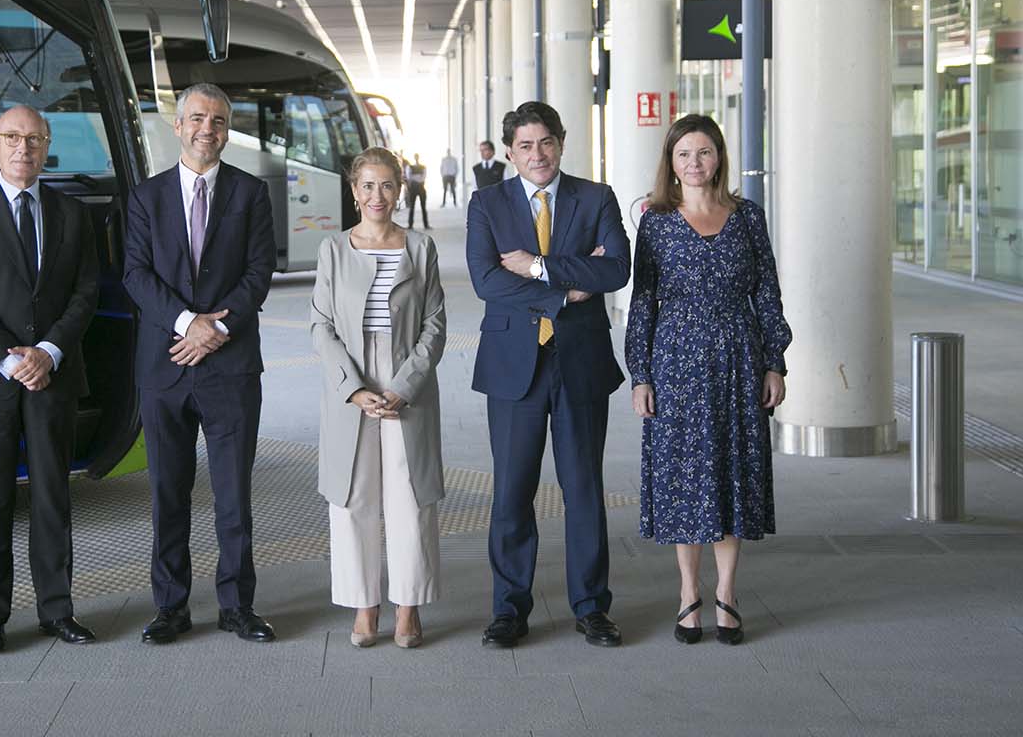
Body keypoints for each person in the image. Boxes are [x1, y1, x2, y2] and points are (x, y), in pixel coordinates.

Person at [466, 101, 630, 649]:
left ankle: (591, 607)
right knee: (512, 492)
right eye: (526, 146)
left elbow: (616, 269)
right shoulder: (486, 203)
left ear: (562, 142)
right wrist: (568, 290)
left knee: (584, 488)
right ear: (509, 152)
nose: (538, 155)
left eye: (547, 142)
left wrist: (538, 268)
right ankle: (509, 609)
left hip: (579, 363)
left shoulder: (596, 197)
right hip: (515, 367)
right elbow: (487, 280)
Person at [0, 105, 101, 654]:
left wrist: (49, 352)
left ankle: (57, 611)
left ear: (46, 145)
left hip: (52, 374)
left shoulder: (73, 214)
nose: (23, 148)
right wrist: (12, 359)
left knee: (54, 496)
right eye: (12, 136)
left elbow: (87, 291)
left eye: (34, 138)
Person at [625, 114, 790, 646]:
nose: (694, 164)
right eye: (683, 155)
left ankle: (728, 594)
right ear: (670, 164)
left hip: (739, 360)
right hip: (675, 362)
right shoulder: (655, 223)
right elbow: (643, 302)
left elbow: (766, 291)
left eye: (703, 153)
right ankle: (687, 594)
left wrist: (774, 362)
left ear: (718, 156)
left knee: (732, 473)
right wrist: (641, 375)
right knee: (684, 477)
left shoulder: (747, 217)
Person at [123, 83, 278, 645]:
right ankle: (171, 608)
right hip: (166, 364)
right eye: (196, 118)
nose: (206, 129)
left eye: (217, 119)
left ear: (227, 128)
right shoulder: (145, 197)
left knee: (234, 494)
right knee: (168, 490)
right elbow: (136, 275)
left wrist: (220, 328)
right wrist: (191, 324)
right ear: (177, 125)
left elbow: (260, 272)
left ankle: (238, 606)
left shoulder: (251, 193)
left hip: (231, 366)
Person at [310, 147, 446, 649]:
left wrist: (402, 385)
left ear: (400, 190)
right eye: (367, 186)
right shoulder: (333, 250)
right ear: (353, 191)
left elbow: (434, 325)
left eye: (387, 185)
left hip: (404, 378)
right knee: (353, 496)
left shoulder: (420, 247)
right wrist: (354, 388)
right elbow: (321, 325)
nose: (377, 196)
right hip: (352, 383)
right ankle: (364, 606)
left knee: (409, 495)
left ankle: (408, 609)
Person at [404, 154, 429, 228]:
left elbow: (422, 177)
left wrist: (414, 177)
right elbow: (410, 177)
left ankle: (425, 224)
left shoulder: (412, 167)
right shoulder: (416, 167)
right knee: (412, 207)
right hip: (417, 187)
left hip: (417, 187)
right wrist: (418, 177)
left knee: (423, 207)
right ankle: (411, 224)